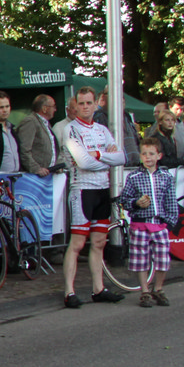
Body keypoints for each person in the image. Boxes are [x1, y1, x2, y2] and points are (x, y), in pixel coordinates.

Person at [62, 87, 125, 307]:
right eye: (81, 103)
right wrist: (106, 159)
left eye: (89, 103)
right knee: (78, 243)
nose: (86, 107)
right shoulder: (71, 129)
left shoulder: (102, 130)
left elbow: (121, 158)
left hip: (102, 190)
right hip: (82, 190)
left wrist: (97, 154)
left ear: (96, 104)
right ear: (75, 106)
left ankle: (98, 289)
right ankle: (69, 292)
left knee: (99, 242)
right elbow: (83, 162)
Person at [118, 136, 178, 307]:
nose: (148, 157)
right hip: (140, 224)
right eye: (144, 154)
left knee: (162, 259)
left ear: (159, 156)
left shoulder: (166, 176)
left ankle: (158, 288)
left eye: (151, 154)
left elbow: (170, 200)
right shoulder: (134, 177)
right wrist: (136, 203)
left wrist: (170, 222)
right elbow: (124, 199)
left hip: (159, 224)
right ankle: (144, 291)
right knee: (140, 259)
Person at [16, 94, 59, 176]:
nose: (55, 109)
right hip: (34, 176)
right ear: (44, 108)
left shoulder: (46, 123)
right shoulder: (31, 121)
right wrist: (36, 168)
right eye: (53, 106)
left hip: (47, 175)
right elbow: (24, 150)